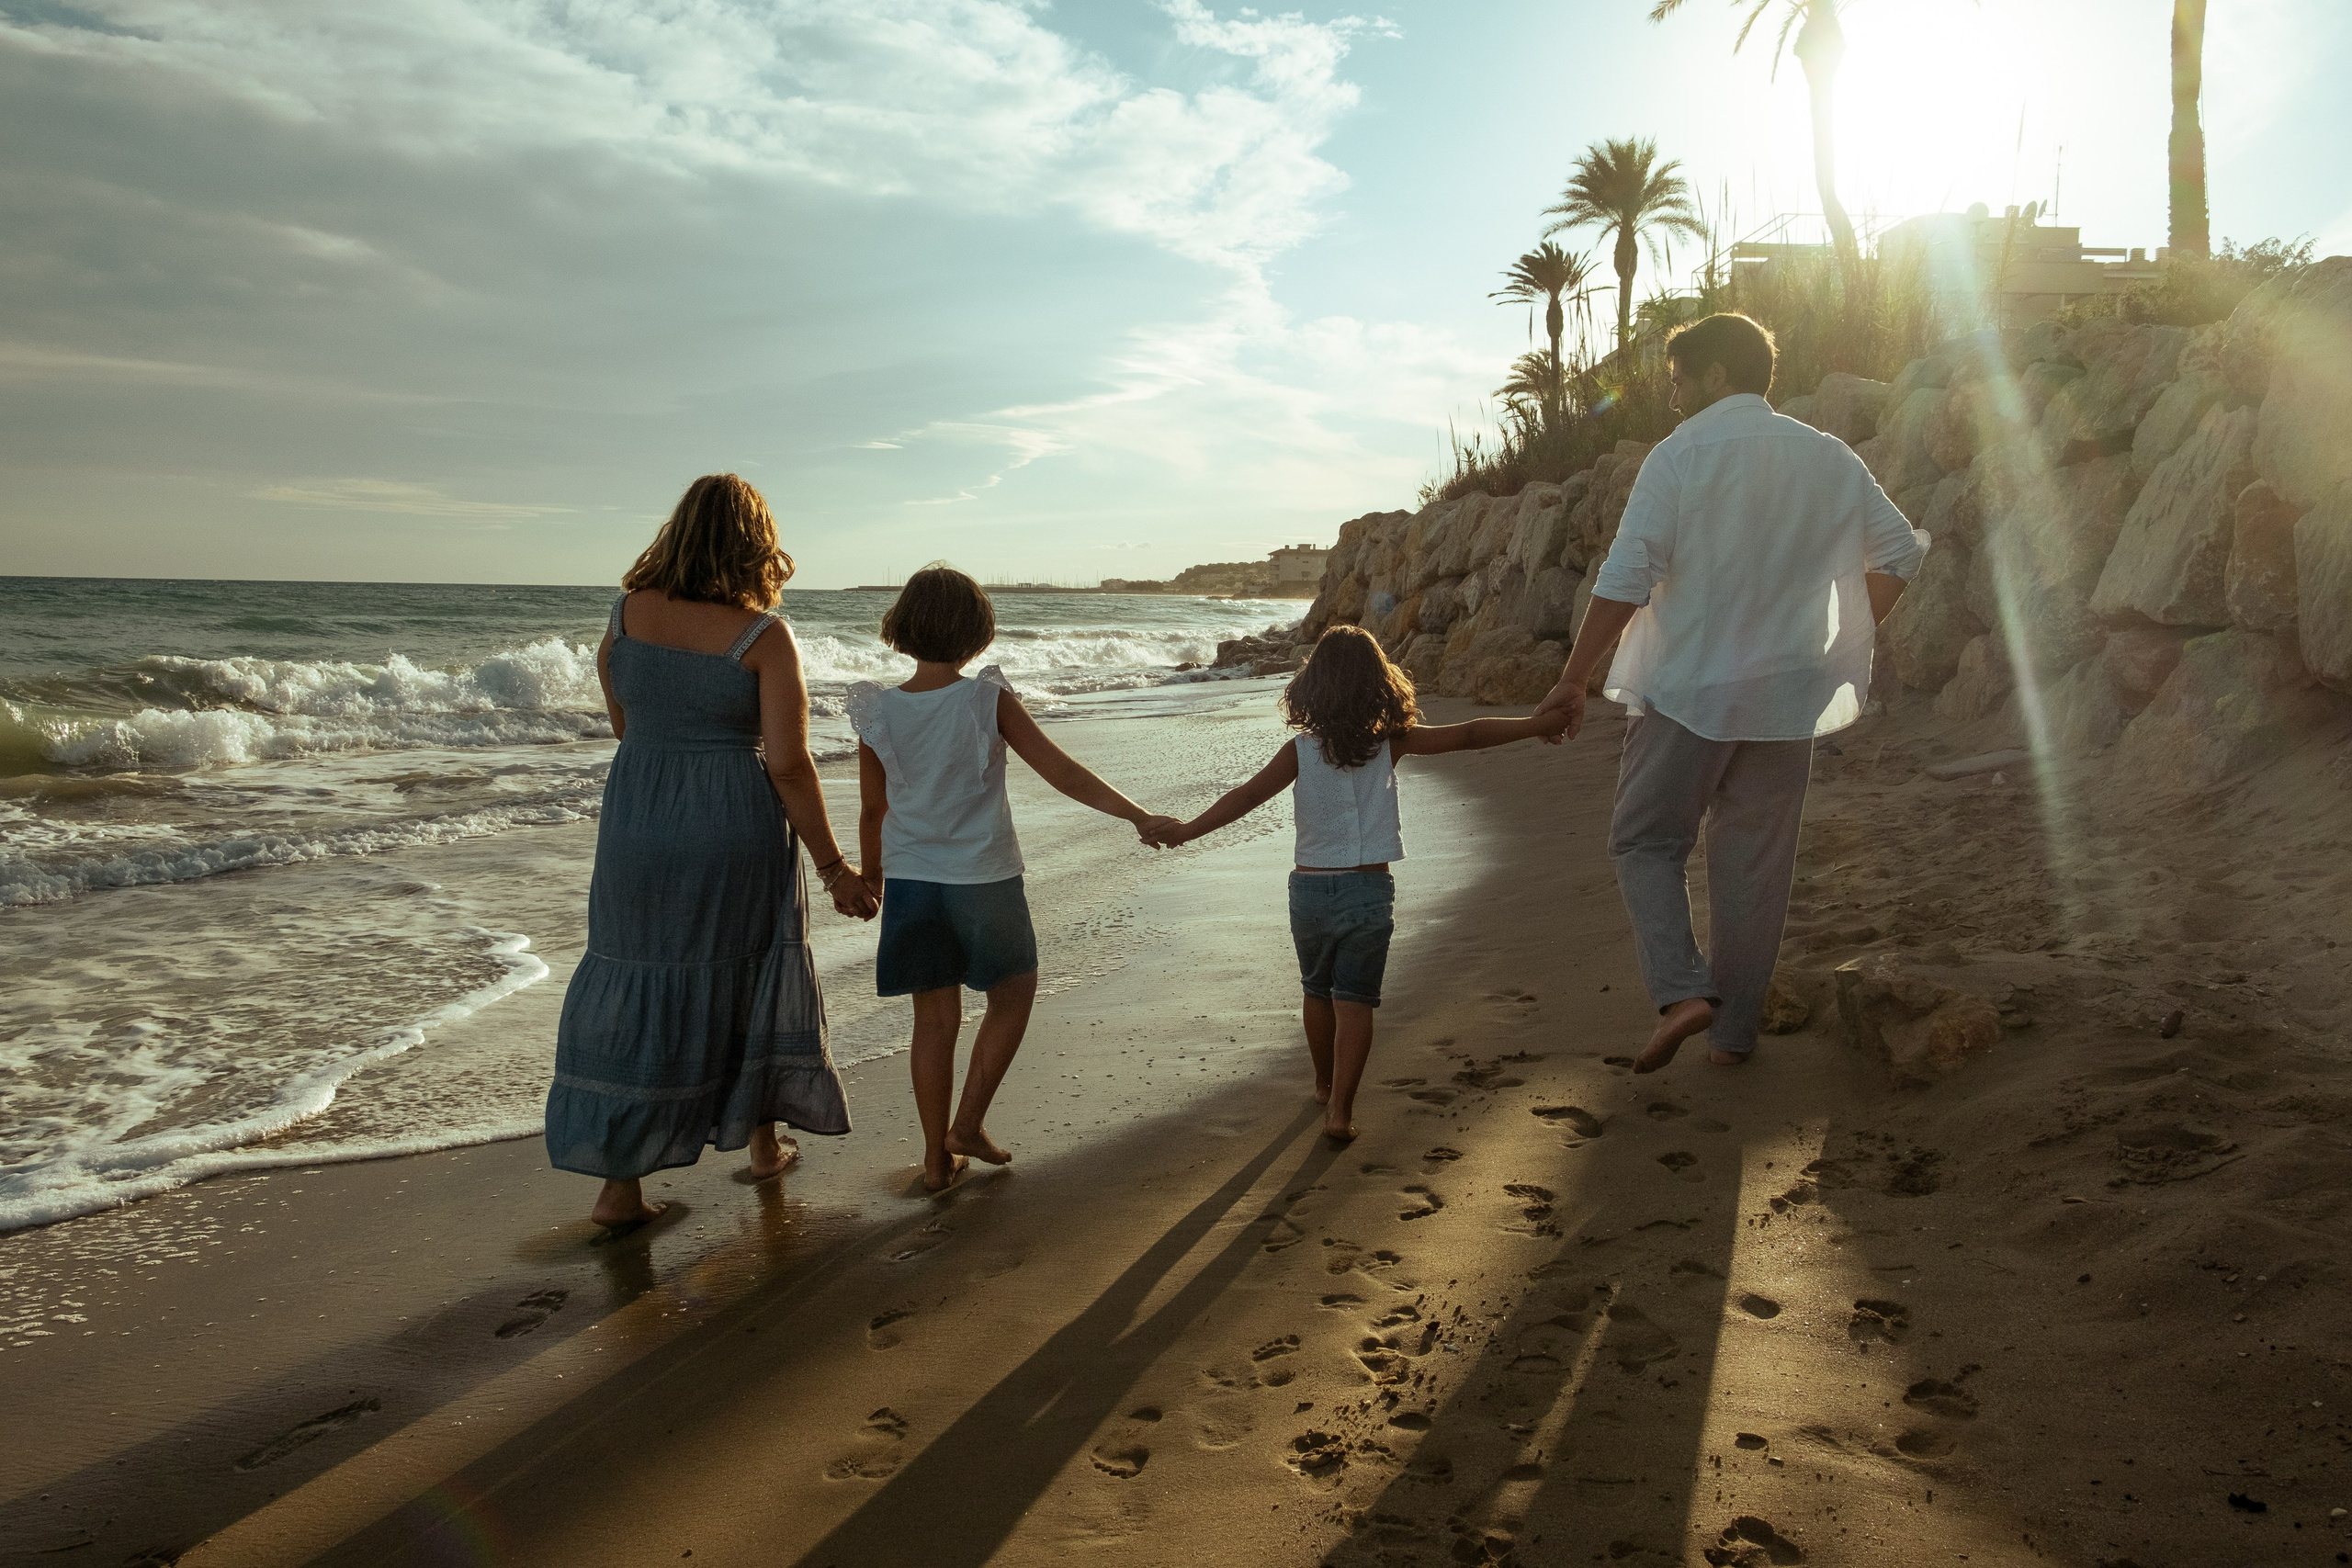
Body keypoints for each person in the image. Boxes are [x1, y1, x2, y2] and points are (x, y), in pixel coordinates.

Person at [1532, 312, 1928, 1074]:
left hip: (1691, 689)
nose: (1672, 395)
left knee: (1646, 840)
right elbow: (1901, 549)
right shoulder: (1828, 456)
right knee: (1753, 864)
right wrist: (1837, 643)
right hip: (1786, 697)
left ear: (1716, 374)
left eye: (1680, 379)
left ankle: (1681, 990)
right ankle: (1732, 1037)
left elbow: (1625, 577)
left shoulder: (1680, 456)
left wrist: (1573, 677)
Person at [547, 474, 877, 1230]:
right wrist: (833, 868)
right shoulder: (761, 635)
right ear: (756, 544)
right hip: (731, 821)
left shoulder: (625, 615)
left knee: (637, 975)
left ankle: (619, 1188)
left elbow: (622, 722)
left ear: (677, 531)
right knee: (751, 970)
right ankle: (762, 1146)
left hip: (636, 816)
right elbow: (790, 765)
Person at [1148, 625, 1567, 1142]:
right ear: (1380, 683)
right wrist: (1535, 724)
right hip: (1367, 893)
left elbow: (1245, 796)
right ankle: (1340, 1111)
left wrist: (1188, 830)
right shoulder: (1390, 743)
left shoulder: (1298, 752)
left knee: (1316, 992)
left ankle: (1323, 1083)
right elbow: (1470, 735)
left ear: (1312, 686)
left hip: (1309, 895)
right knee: (1356, 1001)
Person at [849, 566, 1176, 1192]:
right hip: (983, 877)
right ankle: (966, 1124)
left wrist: (871, 877)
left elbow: (872, 809)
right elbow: (1062, 771)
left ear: (903, 627)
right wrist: (1136, 814)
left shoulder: (878, 709)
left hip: (914, 882)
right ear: (976, 633)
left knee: (933, 1020)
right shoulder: (984, 698)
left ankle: (934, 1159)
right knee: (1015, 988)